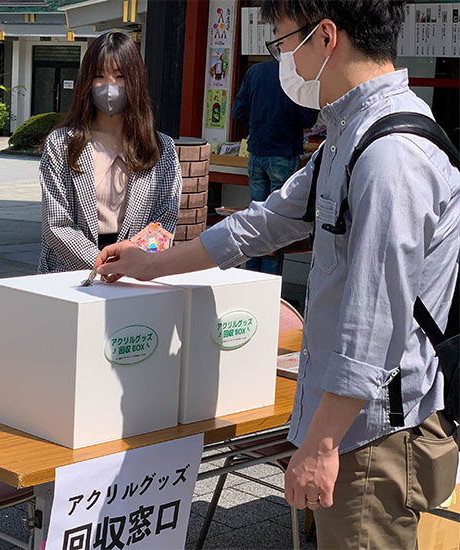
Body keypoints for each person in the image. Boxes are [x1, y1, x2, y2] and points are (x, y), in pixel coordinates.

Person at [95, 1, 460, 547]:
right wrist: (153, 263)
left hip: (373, 436)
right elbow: (265, 223)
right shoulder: (350, 132)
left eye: (283, 42)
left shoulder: (390, 155)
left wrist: (321, 446)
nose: (282, 57)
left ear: (326, 36)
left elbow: (372, 325)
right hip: (356, 430)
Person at [38, 31, 181, 273]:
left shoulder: (161, 148)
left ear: (136, 80)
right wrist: (103, 265)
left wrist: (131, 263)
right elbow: (56, 224)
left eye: (120, 76)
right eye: (99, 76)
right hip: (68, 273)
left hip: (134, 273)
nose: (110, 87)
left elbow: (165, 221)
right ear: (86, 82)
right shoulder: (61, 144)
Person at [232, 59, 319, 272]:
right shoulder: (294, 73)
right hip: (282, 153)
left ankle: (250, 280)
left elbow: (238, 111)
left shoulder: (255, 71)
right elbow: (307, 118)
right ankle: (269, 288)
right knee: (275, 224)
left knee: (255, 221)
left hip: (257, 153)